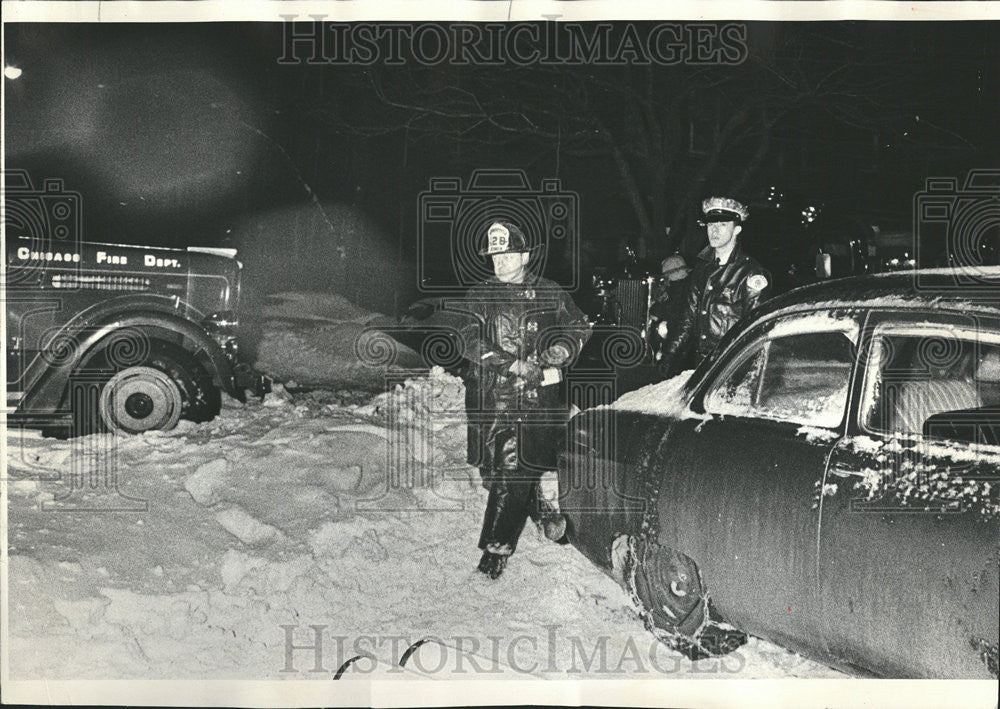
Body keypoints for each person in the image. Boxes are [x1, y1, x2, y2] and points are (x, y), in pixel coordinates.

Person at [459, 220, 591, 579]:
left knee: (512, 472)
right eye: (494, 257)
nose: (499, 262)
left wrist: (564, 348)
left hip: (536, 401)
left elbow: (580, 323)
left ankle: (494, 552)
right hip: (493, 400)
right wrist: (512, 364)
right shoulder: (480, 295)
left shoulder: (550, 292)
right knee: (496, 475)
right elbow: (468, 340)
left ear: (525, 256)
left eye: (507, 255)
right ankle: (544, 515)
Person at [660, 196, 770, 376]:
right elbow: (687, 317)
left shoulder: (750, 273)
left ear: (737, 230)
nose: (715, 230)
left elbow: (754, 330)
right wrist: (670, 354)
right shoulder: (702, 269)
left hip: (731, 368)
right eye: (711, 225)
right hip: (701, 367)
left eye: (723, 225)